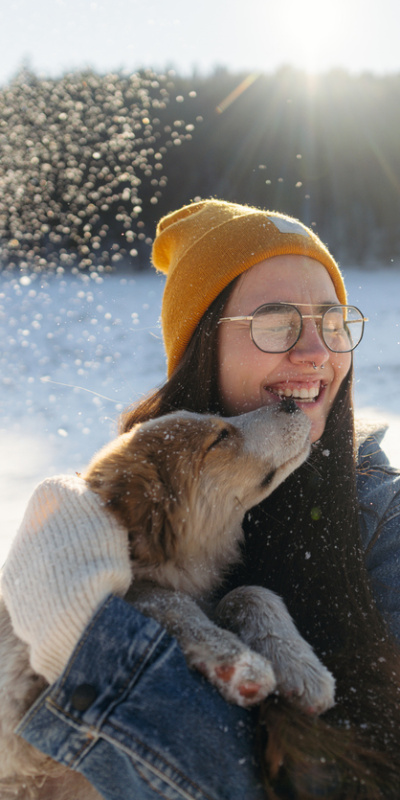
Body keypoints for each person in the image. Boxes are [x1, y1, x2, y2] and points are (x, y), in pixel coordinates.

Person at [2, 199, 400, 799]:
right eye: (275, 321)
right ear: (202, 343)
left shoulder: (385, 521)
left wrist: (95, 650)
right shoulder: (134, 495)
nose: (317, 351)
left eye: (334, 320)